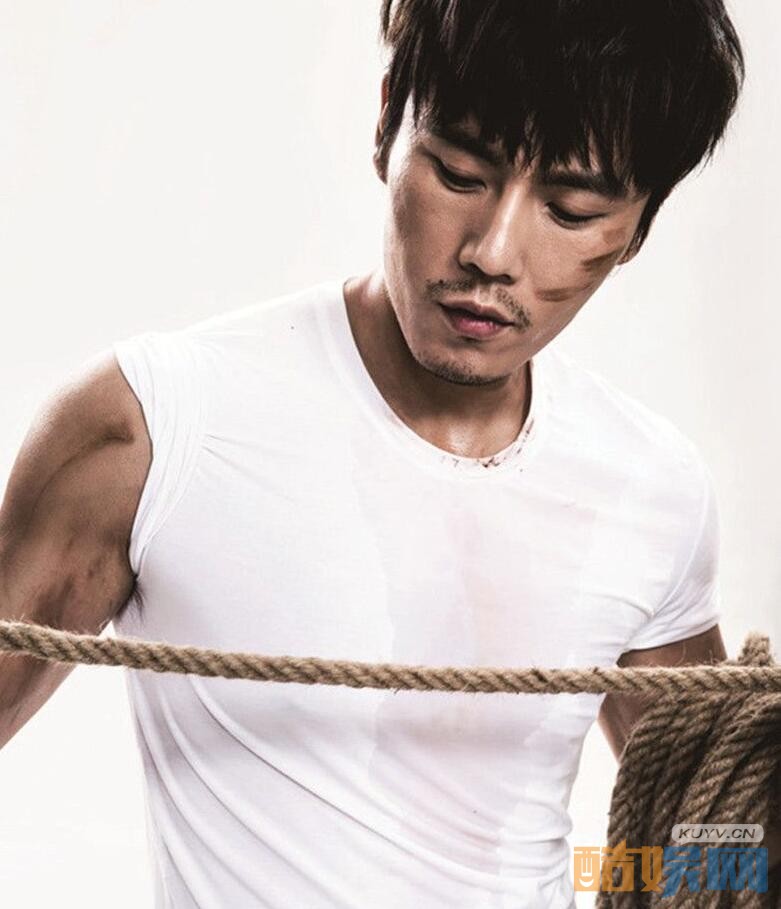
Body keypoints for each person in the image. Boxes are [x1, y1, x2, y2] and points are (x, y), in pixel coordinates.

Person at [0, 1, 755, 906]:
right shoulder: (152, 425)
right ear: (388, 119)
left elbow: (715, 845)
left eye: (570, 208)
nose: (492, 253)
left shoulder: (650, 488)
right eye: (459, 172)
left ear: (635, 227)